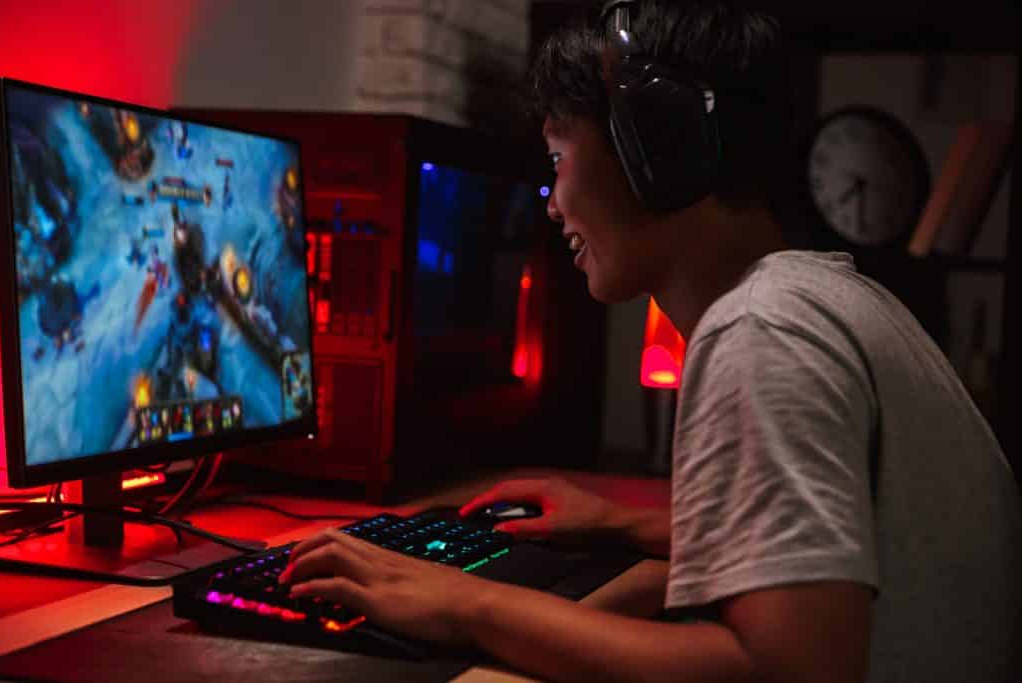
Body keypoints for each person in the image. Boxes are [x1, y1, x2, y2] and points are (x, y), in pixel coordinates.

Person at [280, 1, 1022, 680]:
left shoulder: (762, 334)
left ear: (655, 149)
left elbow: (791, 667)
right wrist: (620, 524)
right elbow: (826, 539)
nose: (553, 205)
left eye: (558, 162)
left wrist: (465, 604)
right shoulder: (824, 297)